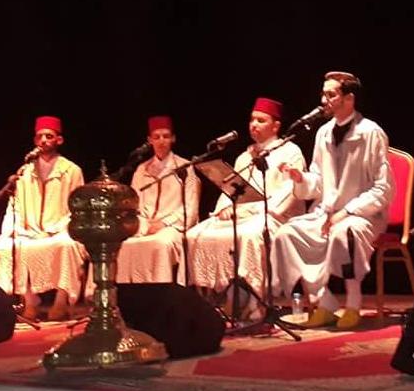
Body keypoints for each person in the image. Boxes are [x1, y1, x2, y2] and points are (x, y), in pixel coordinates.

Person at [271, 71, 393, 330]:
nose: (323, 100)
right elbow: (318, 181)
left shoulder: (371, 133)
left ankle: (353, 304)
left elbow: (383, 188)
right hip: (326, 213)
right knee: (286, 234)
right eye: (323, 94)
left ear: (349, 98)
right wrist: (300, 178)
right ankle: (323, 302)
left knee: (343, 234)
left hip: (363, 214)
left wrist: (346, 212)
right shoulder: (323, 133)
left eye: (331, 94)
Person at [188, 98, 306, 316]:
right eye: (252, 120)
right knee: (196, 234)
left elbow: (290, 191)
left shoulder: (290, 152)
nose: (254, 125)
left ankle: (255, 303)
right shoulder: (245, 156)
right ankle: (211, 301)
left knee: (251, 235)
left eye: (261, 120)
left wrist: (258, 209)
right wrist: (225, 207)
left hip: (276, 216)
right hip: (242, 214)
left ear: (276, 126)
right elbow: (231, 186)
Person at [0, 116, 85, 321]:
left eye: (49, 136)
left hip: (60, 230)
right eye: (40, 136)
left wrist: (55, 229)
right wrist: (17, 230)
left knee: (67, 245)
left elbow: (77, 209)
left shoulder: (72, 170)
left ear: (59, 140)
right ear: (34, 140)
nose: (43, 140)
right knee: (2, 247)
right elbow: (14, 206)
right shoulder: (25, 171)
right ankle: (29, 301)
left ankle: (60, 303)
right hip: (29, 231)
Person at [116, 115, 200, 285]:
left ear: (173, 139)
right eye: (157, 137)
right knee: (123, 245)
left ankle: (161, 293)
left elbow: (190, 209)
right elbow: (133, 205)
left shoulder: (185, 168)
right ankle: (129, 295)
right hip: (145, 226)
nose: (161, 141)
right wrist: (144, 224)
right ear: (150, 140)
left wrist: (163, 223)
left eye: (166, 136)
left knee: (160, 244)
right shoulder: (142, 170)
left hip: (173, 227)